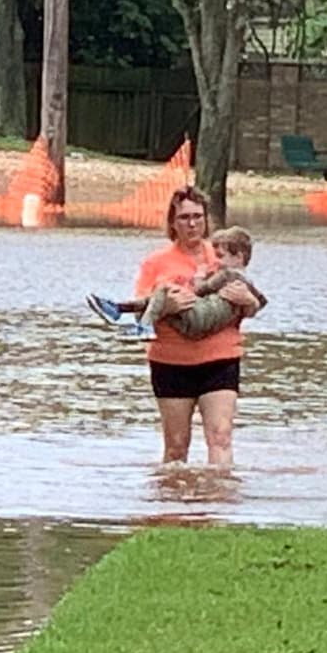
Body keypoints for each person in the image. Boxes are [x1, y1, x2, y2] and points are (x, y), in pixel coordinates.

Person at [134, 187, 263, 468]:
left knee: (221, 436)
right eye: (184, 218)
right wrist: (170, 305)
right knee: (177, 445)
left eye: (197, 216)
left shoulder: (221, 254)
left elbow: (252, 301)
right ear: (172, 222)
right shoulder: (156, 263)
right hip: (171, 361)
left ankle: (218, 499)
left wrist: (248, 301)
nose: (192, 224)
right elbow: (141, 309)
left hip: (220, 358)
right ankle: (172, 502)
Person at [86, 226, 268, 341]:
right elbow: (262, 301)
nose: (216, 260)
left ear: (239, 257)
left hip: (203, 318)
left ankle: (138, 323)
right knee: (163, 301)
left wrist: (199, 276)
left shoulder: (228, 275)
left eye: (220, 256)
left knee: (166, 289)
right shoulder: (246, 283)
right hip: (199, 327)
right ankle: (119, 309)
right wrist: (251, 301)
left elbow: (198, 291)